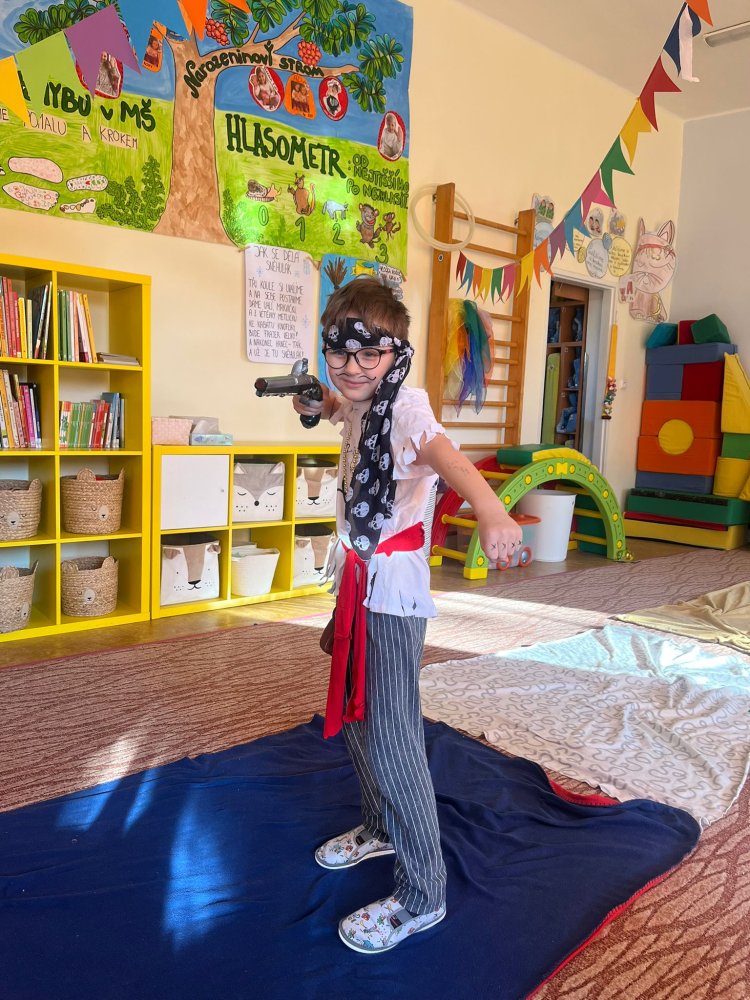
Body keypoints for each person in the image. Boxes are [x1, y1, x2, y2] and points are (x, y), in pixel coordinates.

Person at [292, 278, 522, 955]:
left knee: (393, 736)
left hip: (392, 593)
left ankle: (424, 894)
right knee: (358, 715)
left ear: (396, 355)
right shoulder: (363, 398)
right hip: (356, 579)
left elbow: (449, 458)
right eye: (340, 351)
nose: (354, 366)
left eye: (371, 354)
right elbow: (345, 407)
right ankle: (380, 826)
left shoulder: (409, 407)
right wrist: (320, 403)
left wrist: (492, 510)